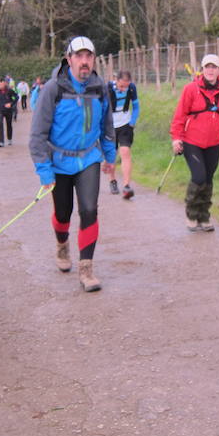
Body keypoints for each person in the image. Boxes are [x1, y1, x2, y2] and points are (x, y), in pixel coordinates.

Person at [30, 36, 116, 292]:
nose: (85, 61)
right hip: (59, 163)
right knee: (63, 213)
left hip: (88, 158)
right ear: (69, 59)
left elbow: (107, 126)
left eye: (89, 56)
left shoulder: (99, 88)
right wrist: (44, 172)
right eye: (79, 56)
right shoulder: (53, 90)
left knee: (89, 210)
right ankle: (61, 243)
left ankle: (86, 268)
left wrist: (110, 157)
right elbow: (37, 136)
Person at [169, 53, 219, 232]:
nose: (210, 70)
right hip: (192, 140)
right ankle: (192, 214)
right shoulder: (190, 89)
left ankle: (204, 215)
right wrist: (176, 137)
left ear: (218, 70)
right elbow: (180, 115)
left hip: (214, 142)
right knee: (199, 176)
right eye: (207, 66)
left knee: (208, 179)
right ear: (202, 69)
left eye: (214, 67)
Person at [108, 70, 140, 199]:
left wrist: (132, 122)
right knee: (112, 155)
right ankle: (112, 180)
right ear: (116, 80)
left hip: (125, 125)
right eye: (121, 86)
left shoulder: (131, 88)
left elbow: (136, 107)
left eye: (126, 86)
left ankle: (126, 185)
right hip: (110, 126)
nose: (123, 89)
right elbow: (102, 107)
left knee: (125, 152)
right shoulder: (107, 88)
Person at [0, 77, 19, 147]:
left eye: (2, 85)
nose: (0, 87)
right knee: (0, 124)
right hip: (0, 109)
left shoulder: (9, 90)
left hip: (9, 110)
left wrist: (11, 104)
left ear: (5, 84)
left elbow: (16, 97)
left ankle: (9, 139)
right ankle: (1, 142)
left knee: (9, 125)